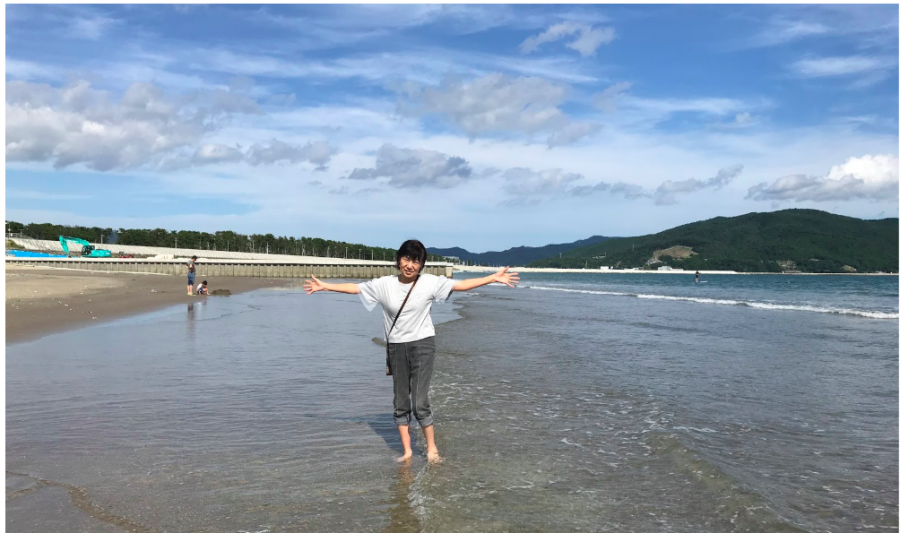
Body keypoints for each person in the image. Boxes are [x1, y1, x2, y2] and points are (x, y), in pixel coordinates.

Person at [303, 239, 519, 464]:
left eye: (416, 261)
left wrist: (493, 278)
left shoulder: (429, 283)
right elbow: (355, 288)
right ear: (398, 260)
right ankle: (407, 452)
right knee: (400, 401)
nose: (410, 265)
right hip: (396, 347)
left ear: (422, 264)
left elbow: (461, 285)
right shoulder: (384, 284)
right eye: (407, 259)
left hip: (423, 344)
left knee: (419, 401)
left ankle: (432, 449)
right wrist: (325, 285)